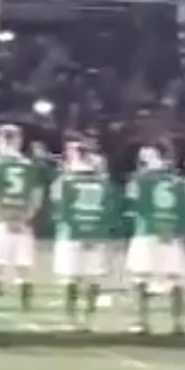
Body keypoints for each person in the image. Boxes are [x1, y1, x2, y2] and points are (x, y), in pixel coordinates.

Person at [48, 136, 116, 330]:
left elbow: (59, 209)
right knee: (93, 278)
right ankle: (88, 319)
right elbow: (109, 211)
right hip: (96, 235)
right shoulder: (104, 183)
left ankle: (71, 319)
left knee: (71, 278)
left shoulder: (65, 181)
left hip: (71, 234)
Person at [0, 124, 41, 325]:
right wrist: (24, 217)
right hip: (23, 222)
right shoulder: (31, 166)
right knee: (23, 268)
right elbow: (37, 196)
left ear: (0, 141)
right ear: (19, 141)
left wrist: (4, 216)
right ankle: (27, 314)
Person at [125, 144, 185, 333]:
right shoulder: (177, 181)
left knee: (141, 278)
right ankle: (178, 323)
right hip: (171, 234)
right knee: (175, 280)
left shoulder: (140, 179)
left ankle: (142, 321)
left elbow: (137, 207)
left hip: (147, 232)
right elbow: (184, 210)